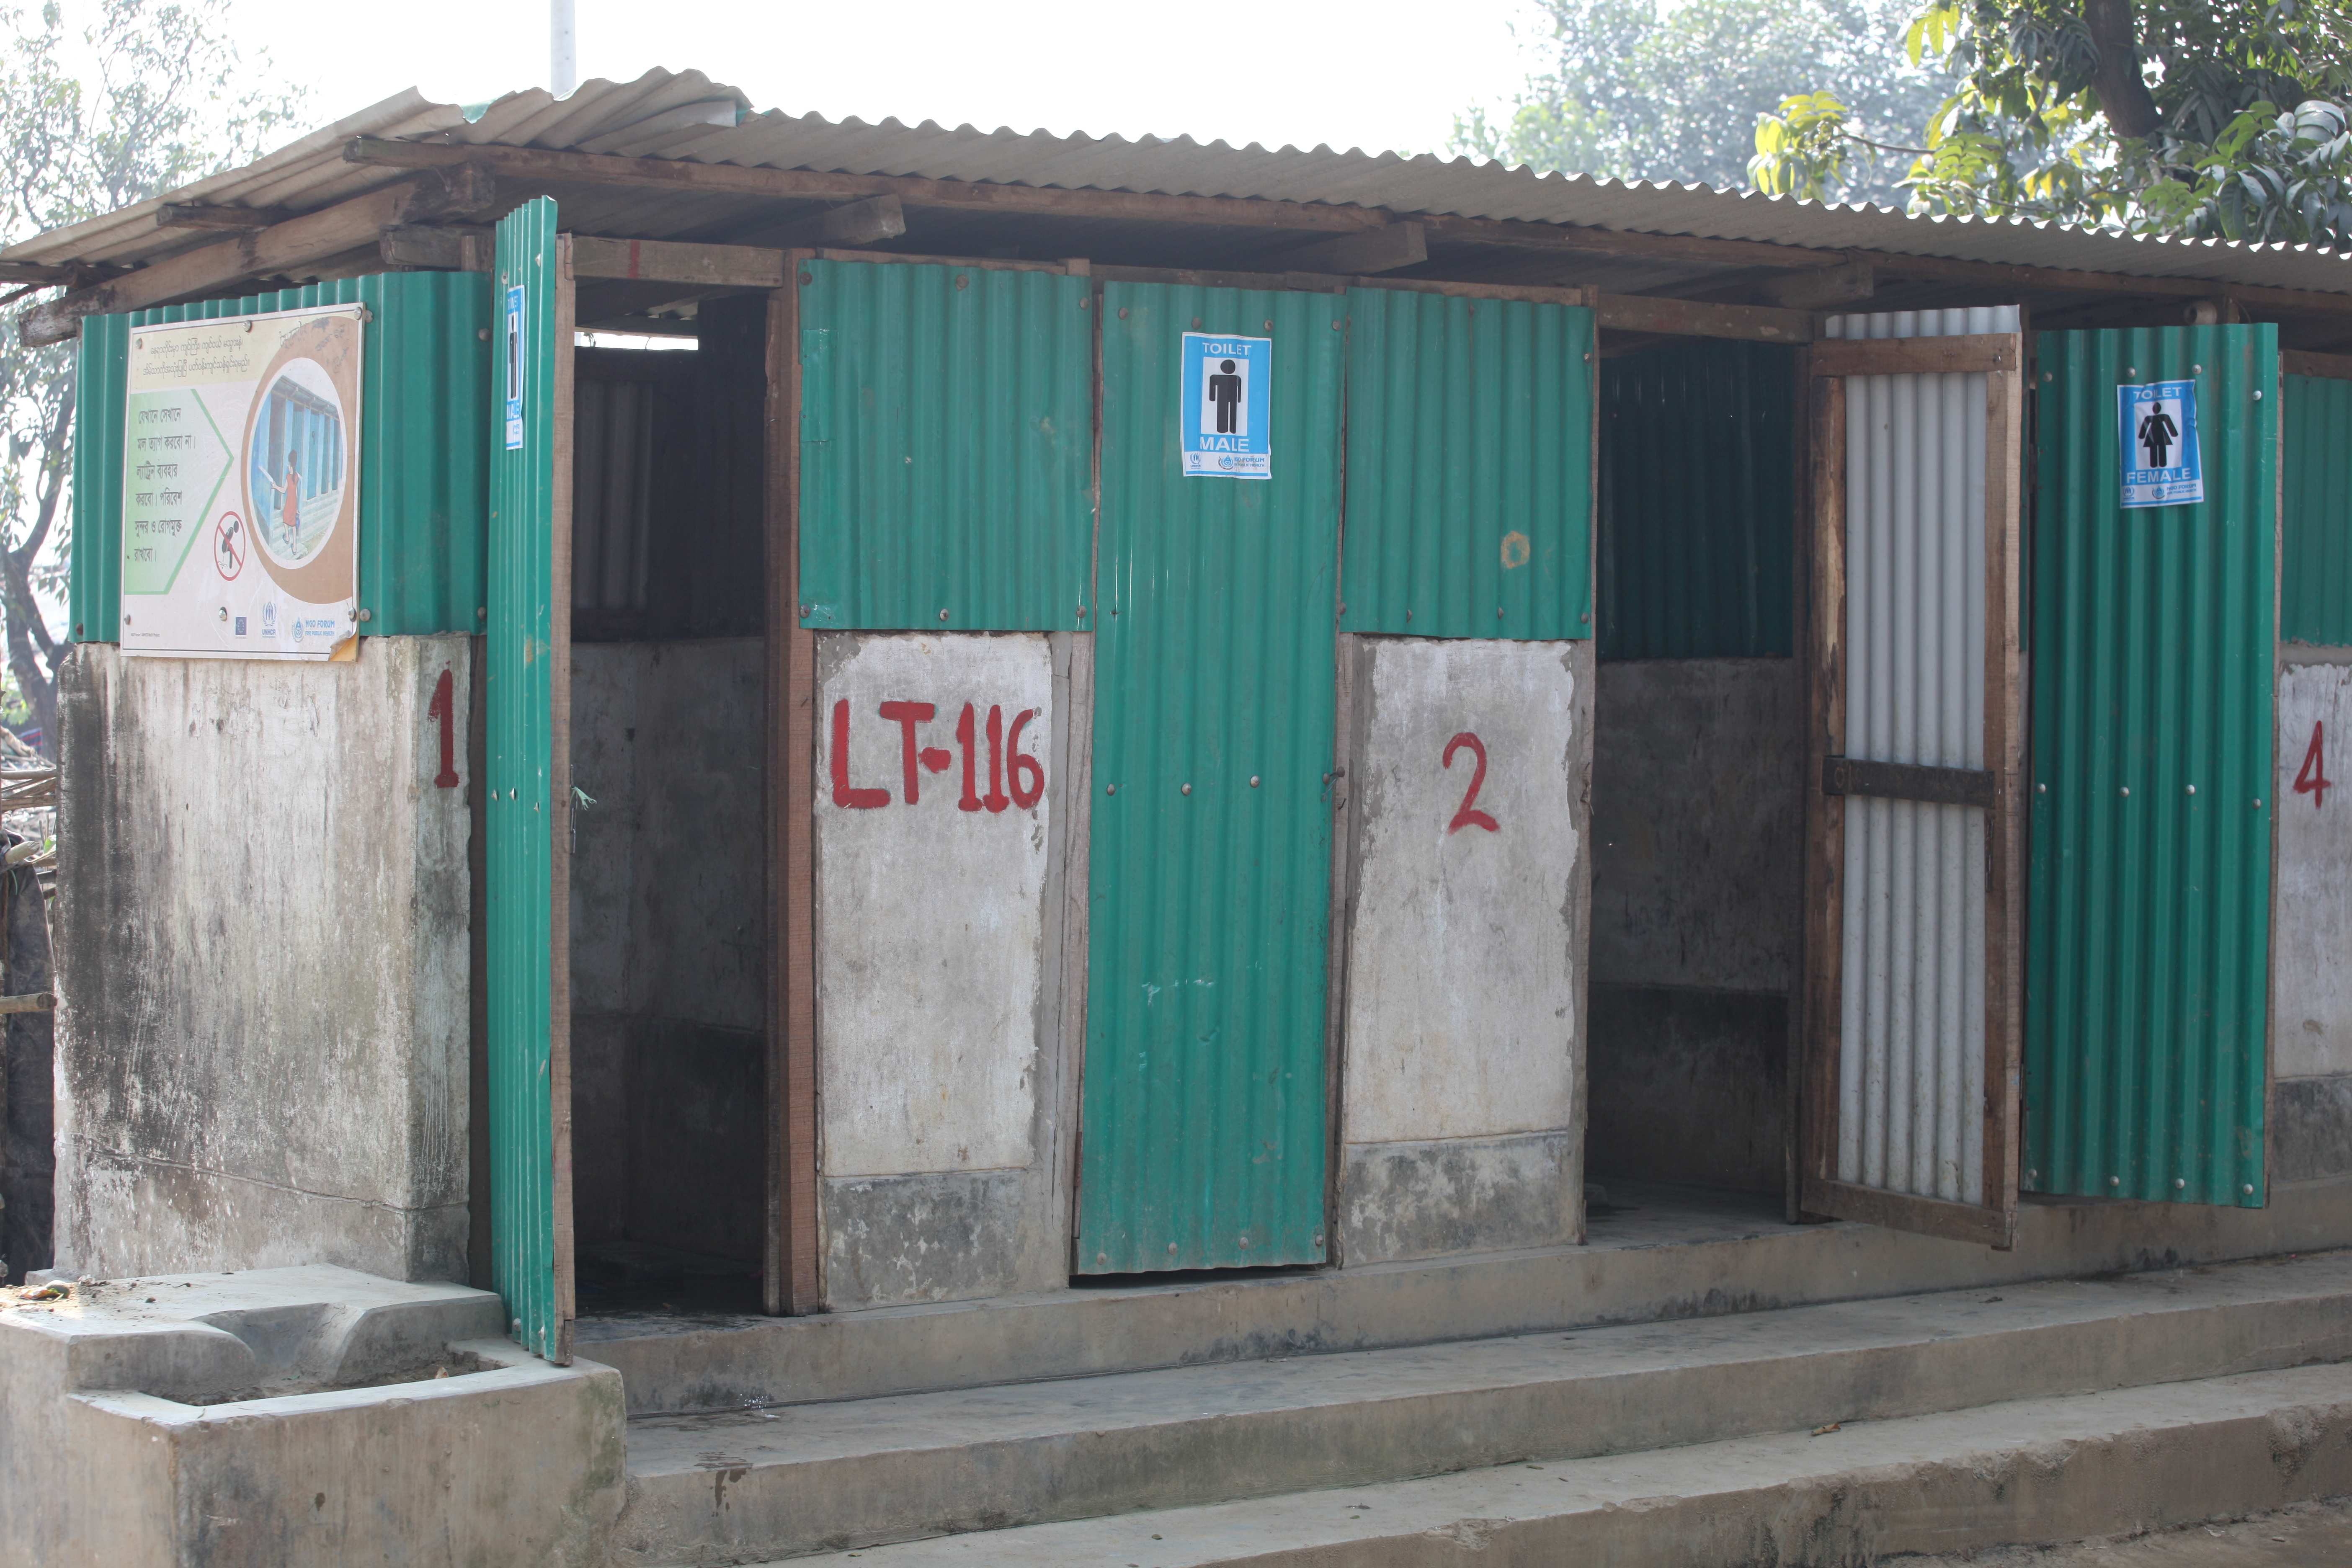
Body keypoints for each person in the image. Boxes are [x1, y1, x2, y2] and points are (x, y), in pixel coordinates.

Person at [2138, 401, 2179, 470]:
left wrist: (2142, 436)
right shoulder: (2161, 417)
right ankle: (2159, 464)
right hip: (2160, 437)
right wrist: (2174, 434)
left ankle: (2159, 464)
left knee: (2158, 450)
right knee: (2159, 449)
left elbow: (2169, 425)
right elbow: (2170, 426)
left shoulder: (2151, 418)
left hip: (2154, 437)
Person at [1208, 358, 1243, 435]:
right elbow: (1239, 389)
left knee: (1223, 413)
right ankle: (1228, 429)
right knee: (1225, 413)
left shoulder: (1216, 377)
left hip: (1223, 397)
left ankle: (1223, 429)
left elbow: (1212, 385)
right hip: (1228, 397)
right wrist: (1239, 399)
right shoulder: (1236, 378)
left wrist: (1212, 398)